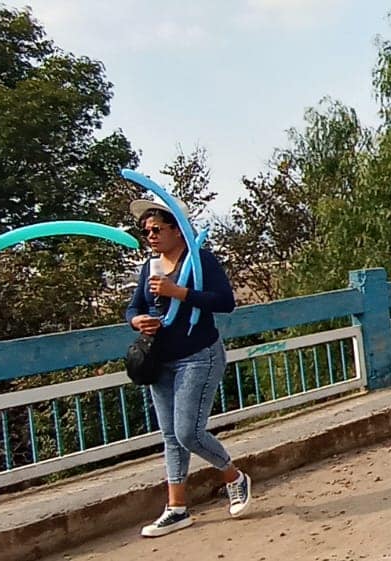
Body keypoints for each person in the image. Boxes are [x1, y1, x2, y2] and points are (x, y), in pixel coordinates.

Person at [124, 198, 247, 537]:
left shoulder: (199, 260)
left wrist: (179, 292)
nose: (150, 235)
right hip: (160, 359)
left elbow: (225, 302)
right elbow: (133, 306)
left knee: (187, 432)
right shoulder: (149, 267)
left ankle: (234, 477)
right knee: (170, 438)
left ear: (177, 229)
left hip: (198, 355)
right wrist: (138, 320)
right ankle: (176, 508)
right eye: (145, 230)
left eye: (157, 229)